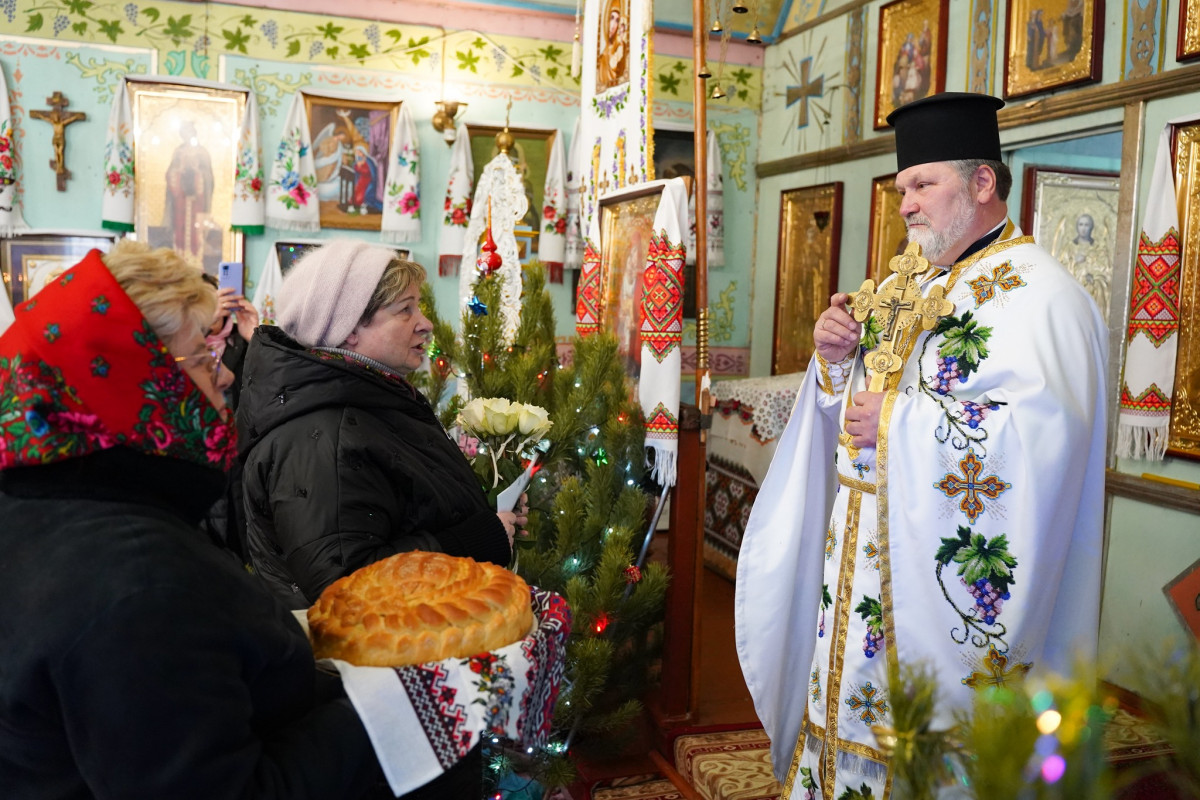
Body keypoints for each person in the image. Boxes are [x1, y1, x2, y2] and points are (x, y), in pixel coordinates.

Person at [735, 93, 1108, 800]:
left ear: (982, 182)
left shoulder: (1044, 297)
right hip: (858, 564)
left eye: (922, 185)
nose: (905, 205)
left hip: (934, 584)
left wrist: (902, 424)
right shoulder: (907, 284)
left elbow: (1048, 442)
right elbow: (855, 413)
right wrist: (834, 362)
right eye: (902, 188)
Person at [0, 240, 386, 797]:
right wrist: (401, 712)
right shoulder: (137, 581)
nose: (223, 376)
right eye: (202, 358)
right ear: (134, 386)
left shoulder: (52, 503)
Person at [238, 238, 521, 609]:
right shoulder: (323, 433)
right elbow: (347, 587)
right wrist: (478, 541)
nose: (426, 324)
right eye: (405, 310)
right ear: (349, 329)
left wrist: (487, 517)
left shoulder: (368, 402)